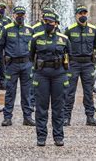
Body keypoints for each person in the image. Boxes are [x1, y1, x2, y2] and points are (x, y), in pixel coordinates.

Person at [29, 11, 70, 147]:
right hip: (42, 74)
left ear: (56, 23)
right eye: (46, 22)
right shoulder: (36, 37)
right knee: (41, 107)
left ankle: (58, 137)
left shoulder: (63, 39)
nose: (48, 24)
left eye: (50, 22)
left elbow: (70, 56)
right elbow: (31, 55)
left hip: (59, 74)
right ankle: (41, 137)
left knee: (59, 107)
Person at [0, 6, 35, 127]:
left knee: (27, 92)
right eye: (18, 14)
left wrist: (32, 63)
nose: (20, 17)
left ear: (25, 15)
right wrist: (3, 63)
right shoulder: (6, 29)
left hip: (26, 64)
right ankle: (7, 117)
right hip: (12, 64)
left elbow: (35, 48)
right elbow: (0, 47)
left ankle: (27, 117)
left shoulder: (30, 30)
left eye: (22, 14)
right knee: (10, 92)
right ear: (13, 15)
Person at [63, 5, 96, 127]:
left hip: (88, 64)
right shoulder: (69, 30)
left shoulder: (93, 30)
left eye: (84, 13)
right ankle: (66, 117)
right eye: (80, 13)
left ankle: (90, 117)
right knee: (69, 91)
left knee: (89, 92)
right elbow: (64, 48)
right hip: (74, 63)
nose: (83, 15)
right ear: (76, 15)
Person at [0, 2, 11, 90]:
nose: (2, 9)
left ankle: (3, 83)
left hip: (4, 45)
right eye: (0, 7)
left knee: (2, 65)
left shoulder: (7, 20)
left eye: (3, 8)